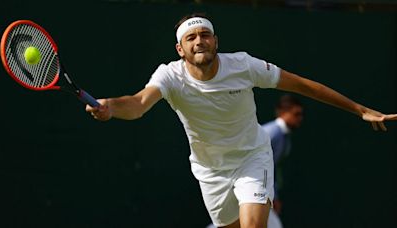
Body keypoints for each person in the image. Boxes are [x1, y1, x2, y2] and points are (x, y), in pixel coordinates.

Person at [86, 13, 397, 228]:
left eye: (205, 34)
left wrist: (358, 108)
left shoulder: (244, 66)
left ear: (215, 41)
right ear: (180, 49)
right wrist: (111, 107)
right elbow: (138, 104)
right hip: (210, 171)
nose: (199, 41)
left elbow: (302, 85)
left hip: (252, 158)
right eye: (191, 37)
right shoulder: (169, 75)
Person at [261, 94, 303, 228]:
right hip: (251, 187)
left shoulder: (285, 137)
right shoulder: (272, 133)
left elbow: (271, 167)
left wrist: (274, 194)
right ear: (284, 113)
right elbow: (259, 164)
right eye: (296, 114)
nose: (300, 119)